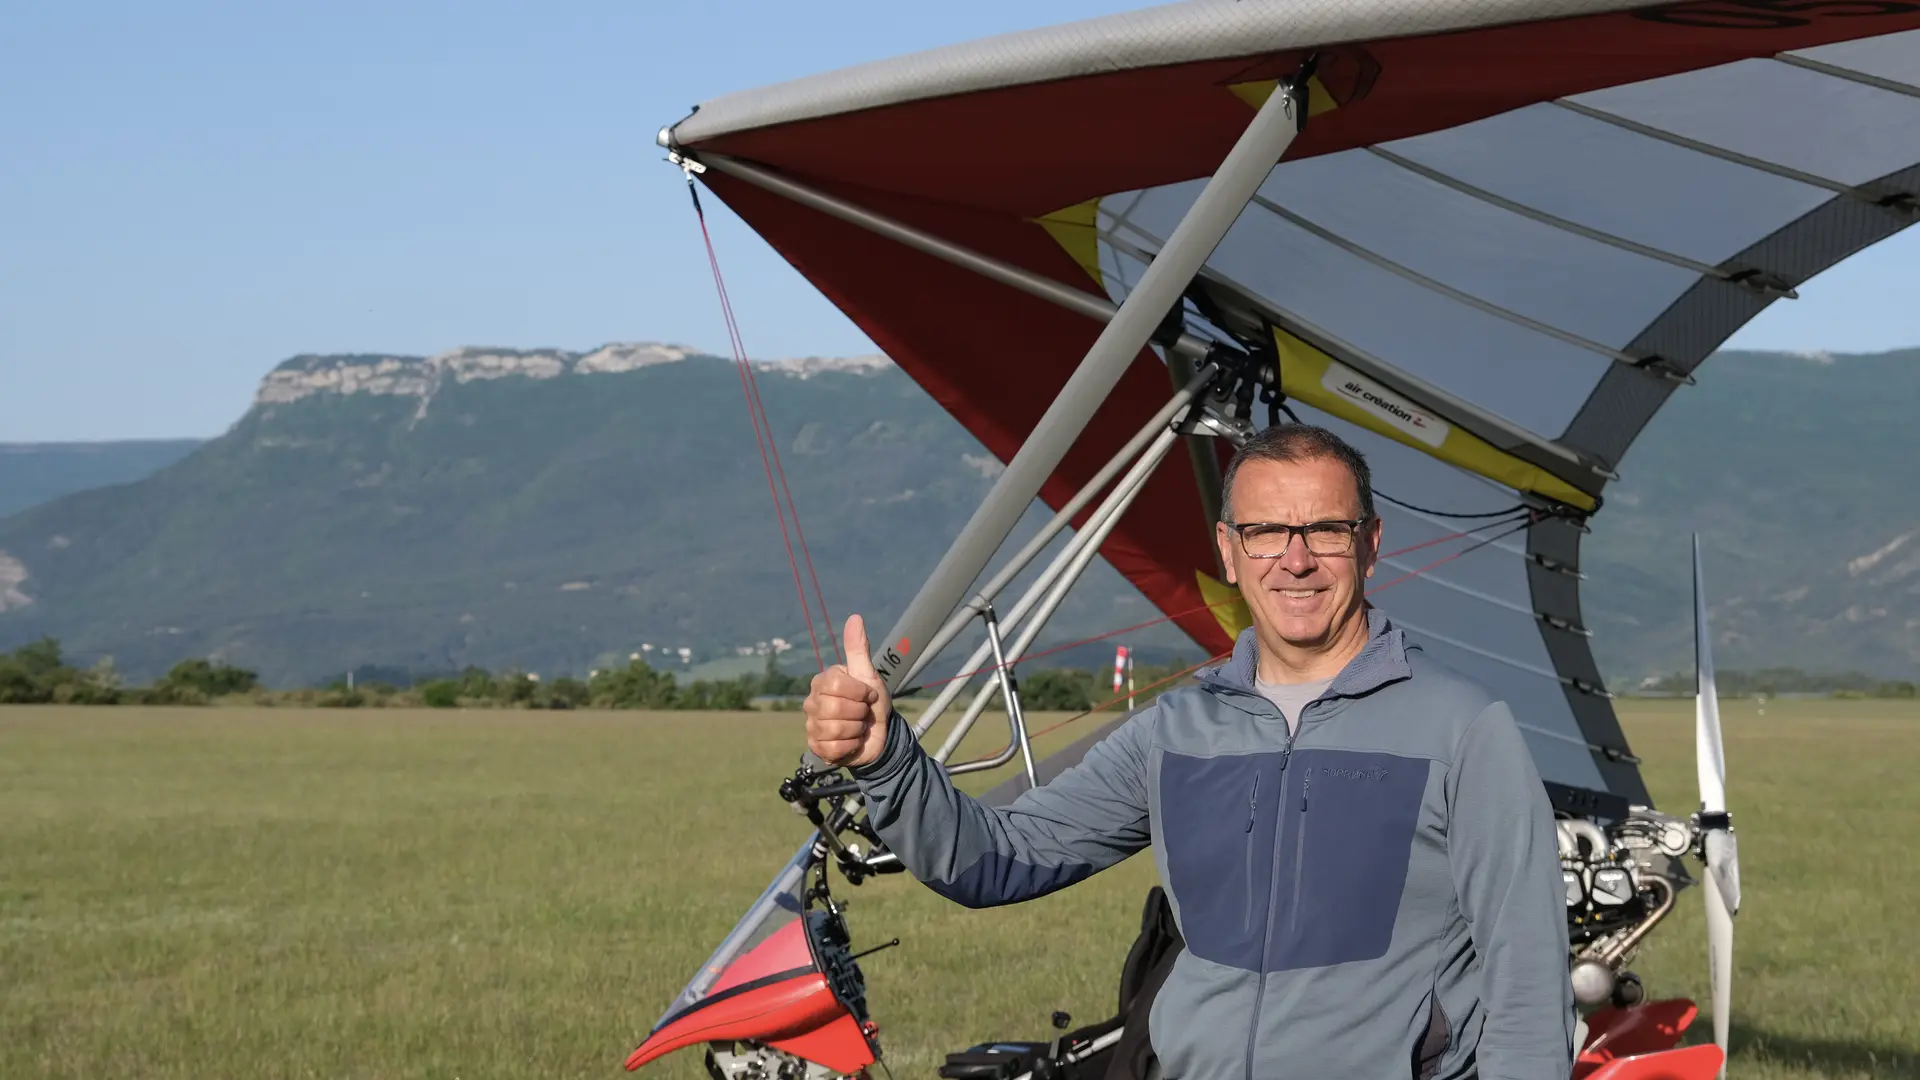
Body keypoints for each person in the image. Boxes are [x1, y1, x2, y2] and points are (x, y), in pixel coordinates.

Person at [805, 423, 1574, 1080]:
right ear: (1229, 550)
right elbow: (996, 857)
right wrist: (886, 760)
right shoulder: (1176, 729)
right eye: (1266, 532)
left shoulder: (1463, 729)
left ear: (1370, 545)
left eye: (1326, 531)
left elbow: (1528, 977)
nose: (1295, 559)